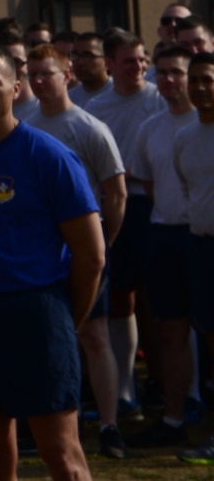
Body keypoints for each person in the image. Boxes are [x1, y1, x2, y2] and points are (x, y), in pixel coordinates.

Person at [0, 42, 103, 481]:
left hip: (36, 312)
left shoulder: (48, 156)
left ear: (15, 85)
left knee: (61, 455)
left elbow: (91, 255)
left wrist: (64, 318)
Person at [25, 45, 130, 458]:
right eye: (31, 73)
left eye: (45, 73)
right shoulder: (26, 126)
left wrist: (102, 244)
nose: (37, 81)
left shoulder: (89, 127)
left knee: (94, 335)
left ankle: (108, 425)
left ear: (66, 75)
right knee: (41, 337)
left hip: (84, 248)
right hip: (39, 251)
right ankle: (45, 421)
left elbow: (116, 193)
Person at [85, 31, 164, 415]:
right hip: (116, 208)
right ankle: (124, 389)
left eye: (141, 59)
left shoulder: (160, 98)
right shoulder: (97, 109)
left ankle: (165, 383)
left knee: (157, 299)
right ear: (110, 64)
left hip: (153, 206)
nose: (137, 67)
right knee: (119, 300)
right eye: (128, 61)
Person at [126, 43, 198, 450]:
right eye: (164, 72)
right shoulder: (149, 128)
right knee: (170, 330)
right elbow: (149, 184)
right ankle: (173, 420)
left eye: (177, 72)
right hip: (164, 235)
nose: (169, 80)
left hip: (203, 236)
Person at [170, 53, 214, 463]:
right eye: (196, 80)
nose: (201, 87)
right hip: (201, 246)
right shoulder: (184, 138)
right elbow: (188, 191)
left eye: (208, 79)